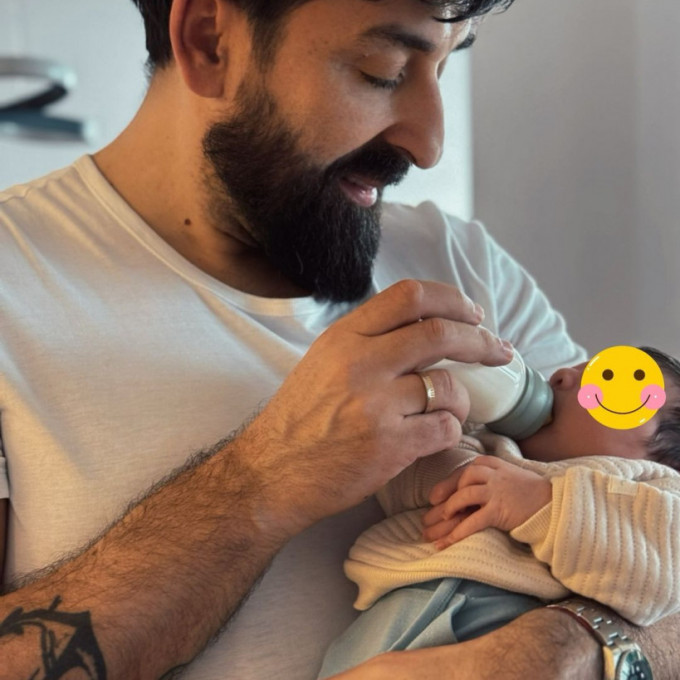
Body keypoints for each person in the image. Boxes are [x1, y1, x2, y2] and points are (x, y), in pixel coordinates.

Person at [0, 0, 678, 678]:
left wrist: (573, 651)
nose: (429, 143)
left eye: (445, 68)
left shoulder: (462, 262)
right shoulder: (15, 281)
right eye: (382, 70)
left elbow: (649, 519)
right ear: (209, 41)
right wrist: (266, 477)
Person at [319, 346, 680, 677]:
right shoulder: (489, 444)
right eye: (579, 369)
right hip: (385, 621)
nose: (562, 376)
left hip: (509, 623)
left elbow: (660, 575)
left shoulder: (654, 487)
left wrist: (543, 504)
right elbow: (402, 483)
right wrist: (447, 426)